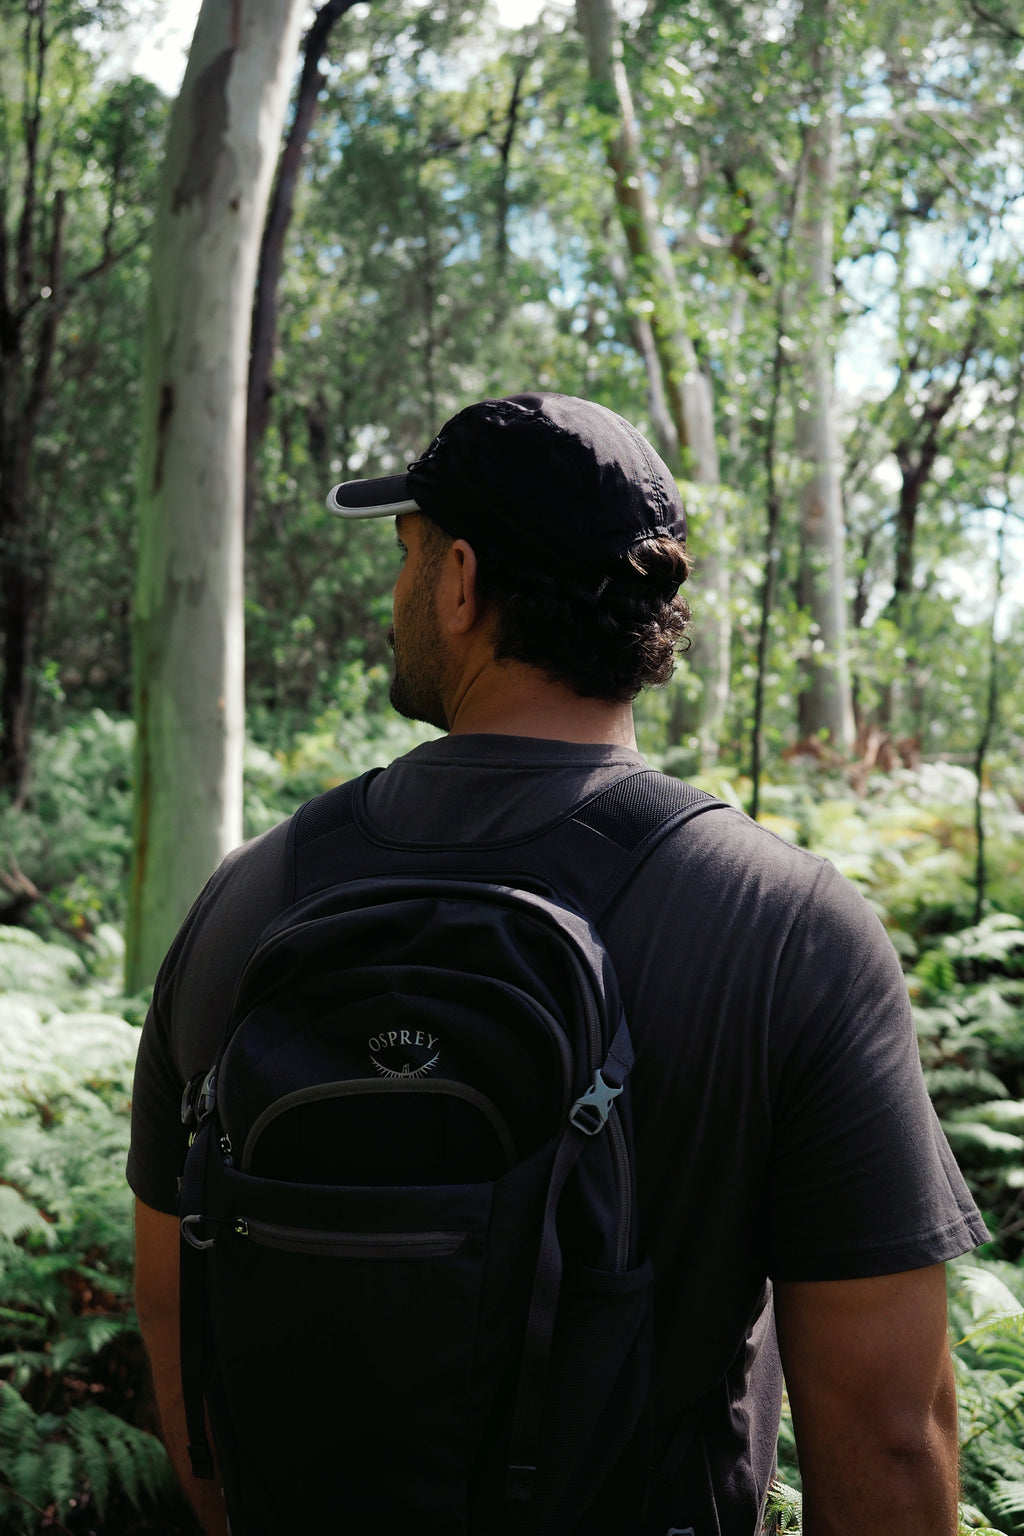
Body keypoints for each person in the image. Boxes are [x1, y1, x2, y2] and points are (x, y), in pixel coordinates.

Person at [130, 392, 986, 1536]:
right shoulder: (785, 925)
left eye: (406, 555)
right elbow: (887, 1437)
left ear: (459, 581)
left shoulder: (248, 898)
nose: (397, 594)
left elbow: (171, 1313)